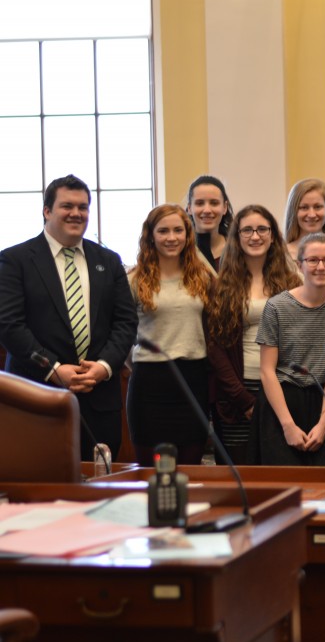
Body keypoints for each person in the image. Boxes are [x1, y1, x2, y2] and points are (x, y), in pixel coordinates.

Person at [0, 174, 138, 461]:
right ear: (47, 211)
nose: (76, 213)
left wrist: (103, 366)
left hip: (100, 399)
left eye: (83, 207)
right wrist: (53, 368)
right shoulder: (14, 260)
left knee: (100, 488)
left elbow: (125, 323)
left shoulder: (108, 261)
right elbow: (9, 324)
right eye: (67, 206)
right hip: (36, 397)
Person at [207, 205, 301, 465]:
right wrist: (243, 399)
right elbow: (214, 348)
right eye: (247, 230)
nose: (255, 236)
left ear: (273, 235)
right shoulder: (221, 285)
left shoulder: (292, 283)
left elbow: (299, 340)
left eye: (262, 229)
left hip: (283, 390)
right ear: (236, 237)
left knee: (280, 472)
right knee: (241, 474)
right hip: (238, 394)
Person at [127, 204, 213, 466]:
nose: (171, 237)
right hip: (149, 384)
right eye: (163, 231)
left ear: (188, 235)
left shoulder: (203, 276)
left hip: (193, 379)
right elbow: (122, 333)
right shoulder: (134, 279)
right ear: (150, 235)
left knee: (189, 470)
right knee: (152, 473)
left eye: (178, 230)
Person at [255, 233, 325, 466]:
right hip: (282, 403)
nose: (321, 266)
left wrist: (324, 422)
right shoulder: (276, 307)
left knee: (322, 489)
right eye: (313, 260)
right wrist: (287, 425)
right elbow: (267, 371)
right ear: (299, 265)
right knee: (283, 493)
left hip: (321, 403)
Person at [284, 179, 325, 289]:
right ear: (294, 211)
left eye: (317, 207)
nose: (311, 214)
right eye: (304, 207)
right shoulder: (280, 255)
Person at [186, 175, 233, 270]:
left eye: (214, 203)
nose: (207, 210)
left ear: (225, 207)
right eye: (199, 203)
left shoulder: (238, 249)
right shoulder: (181, 252)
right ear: (190, 208)